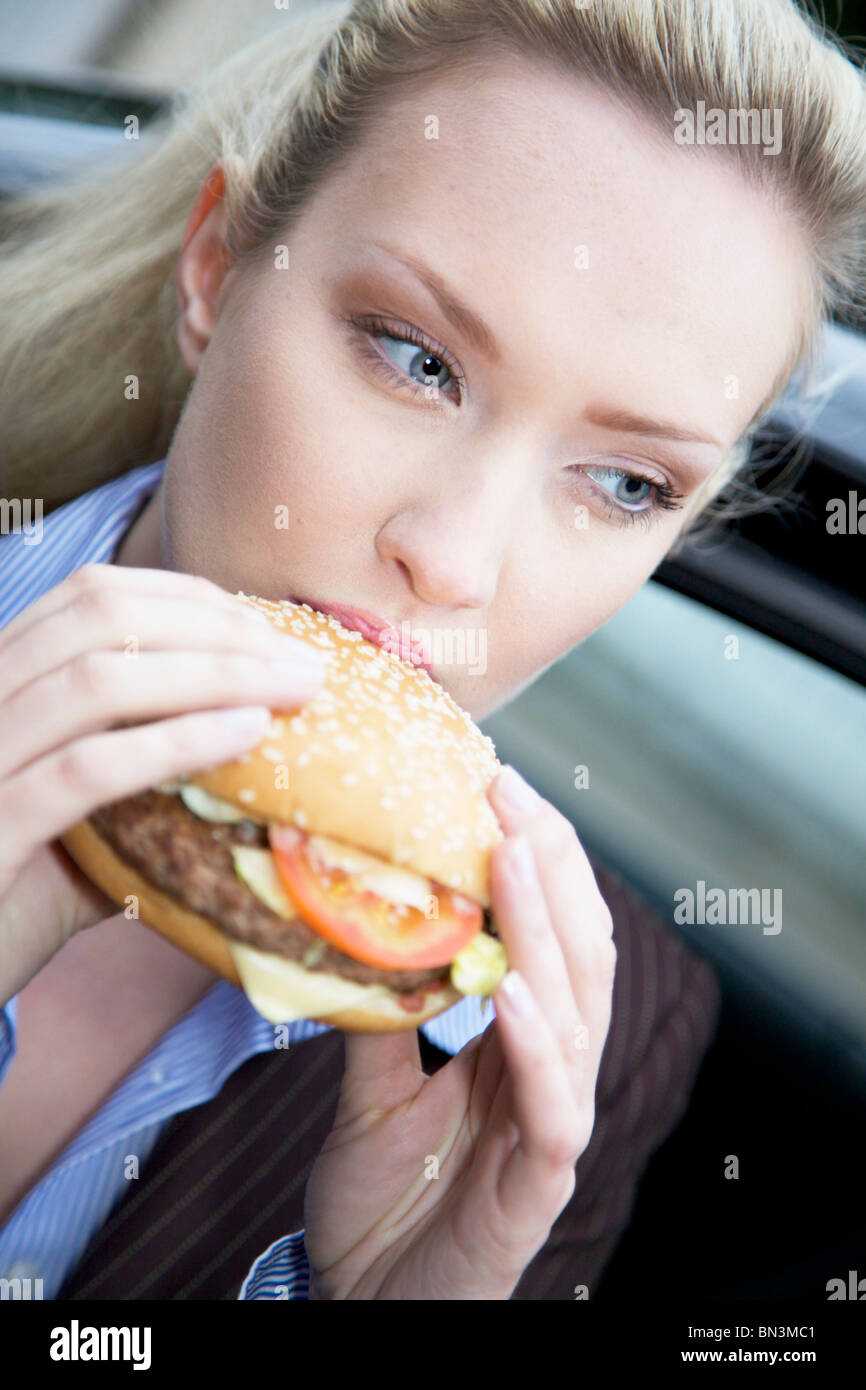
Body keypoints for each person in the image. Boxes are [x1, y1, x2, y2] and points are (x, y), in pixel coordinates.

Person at [0, 0, 863, 1301]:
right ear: (218, 268)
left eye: (624, 483)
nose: (454, 562)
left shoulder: (584, 1053)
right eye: (415, 358)